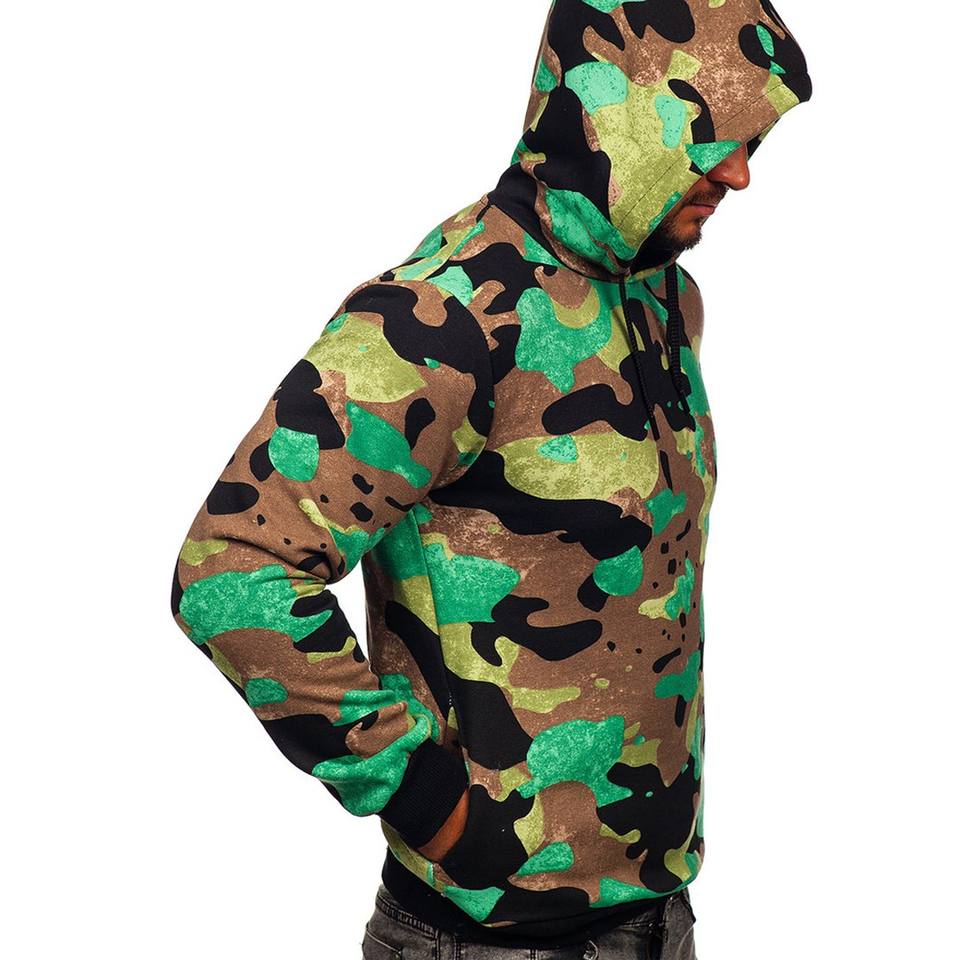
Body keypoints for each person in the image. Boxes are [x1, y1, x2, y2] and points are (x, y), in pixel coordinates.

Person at [169, 1, 811, 957]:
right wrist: (424, 801)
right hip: (483, 939)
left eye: (752, 140)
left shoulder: (665, 297)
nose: (739, 174)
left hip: (656, 915)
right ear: (621, 115)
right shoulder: (440, 318)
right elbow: (231, 568)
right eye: (712, 136)